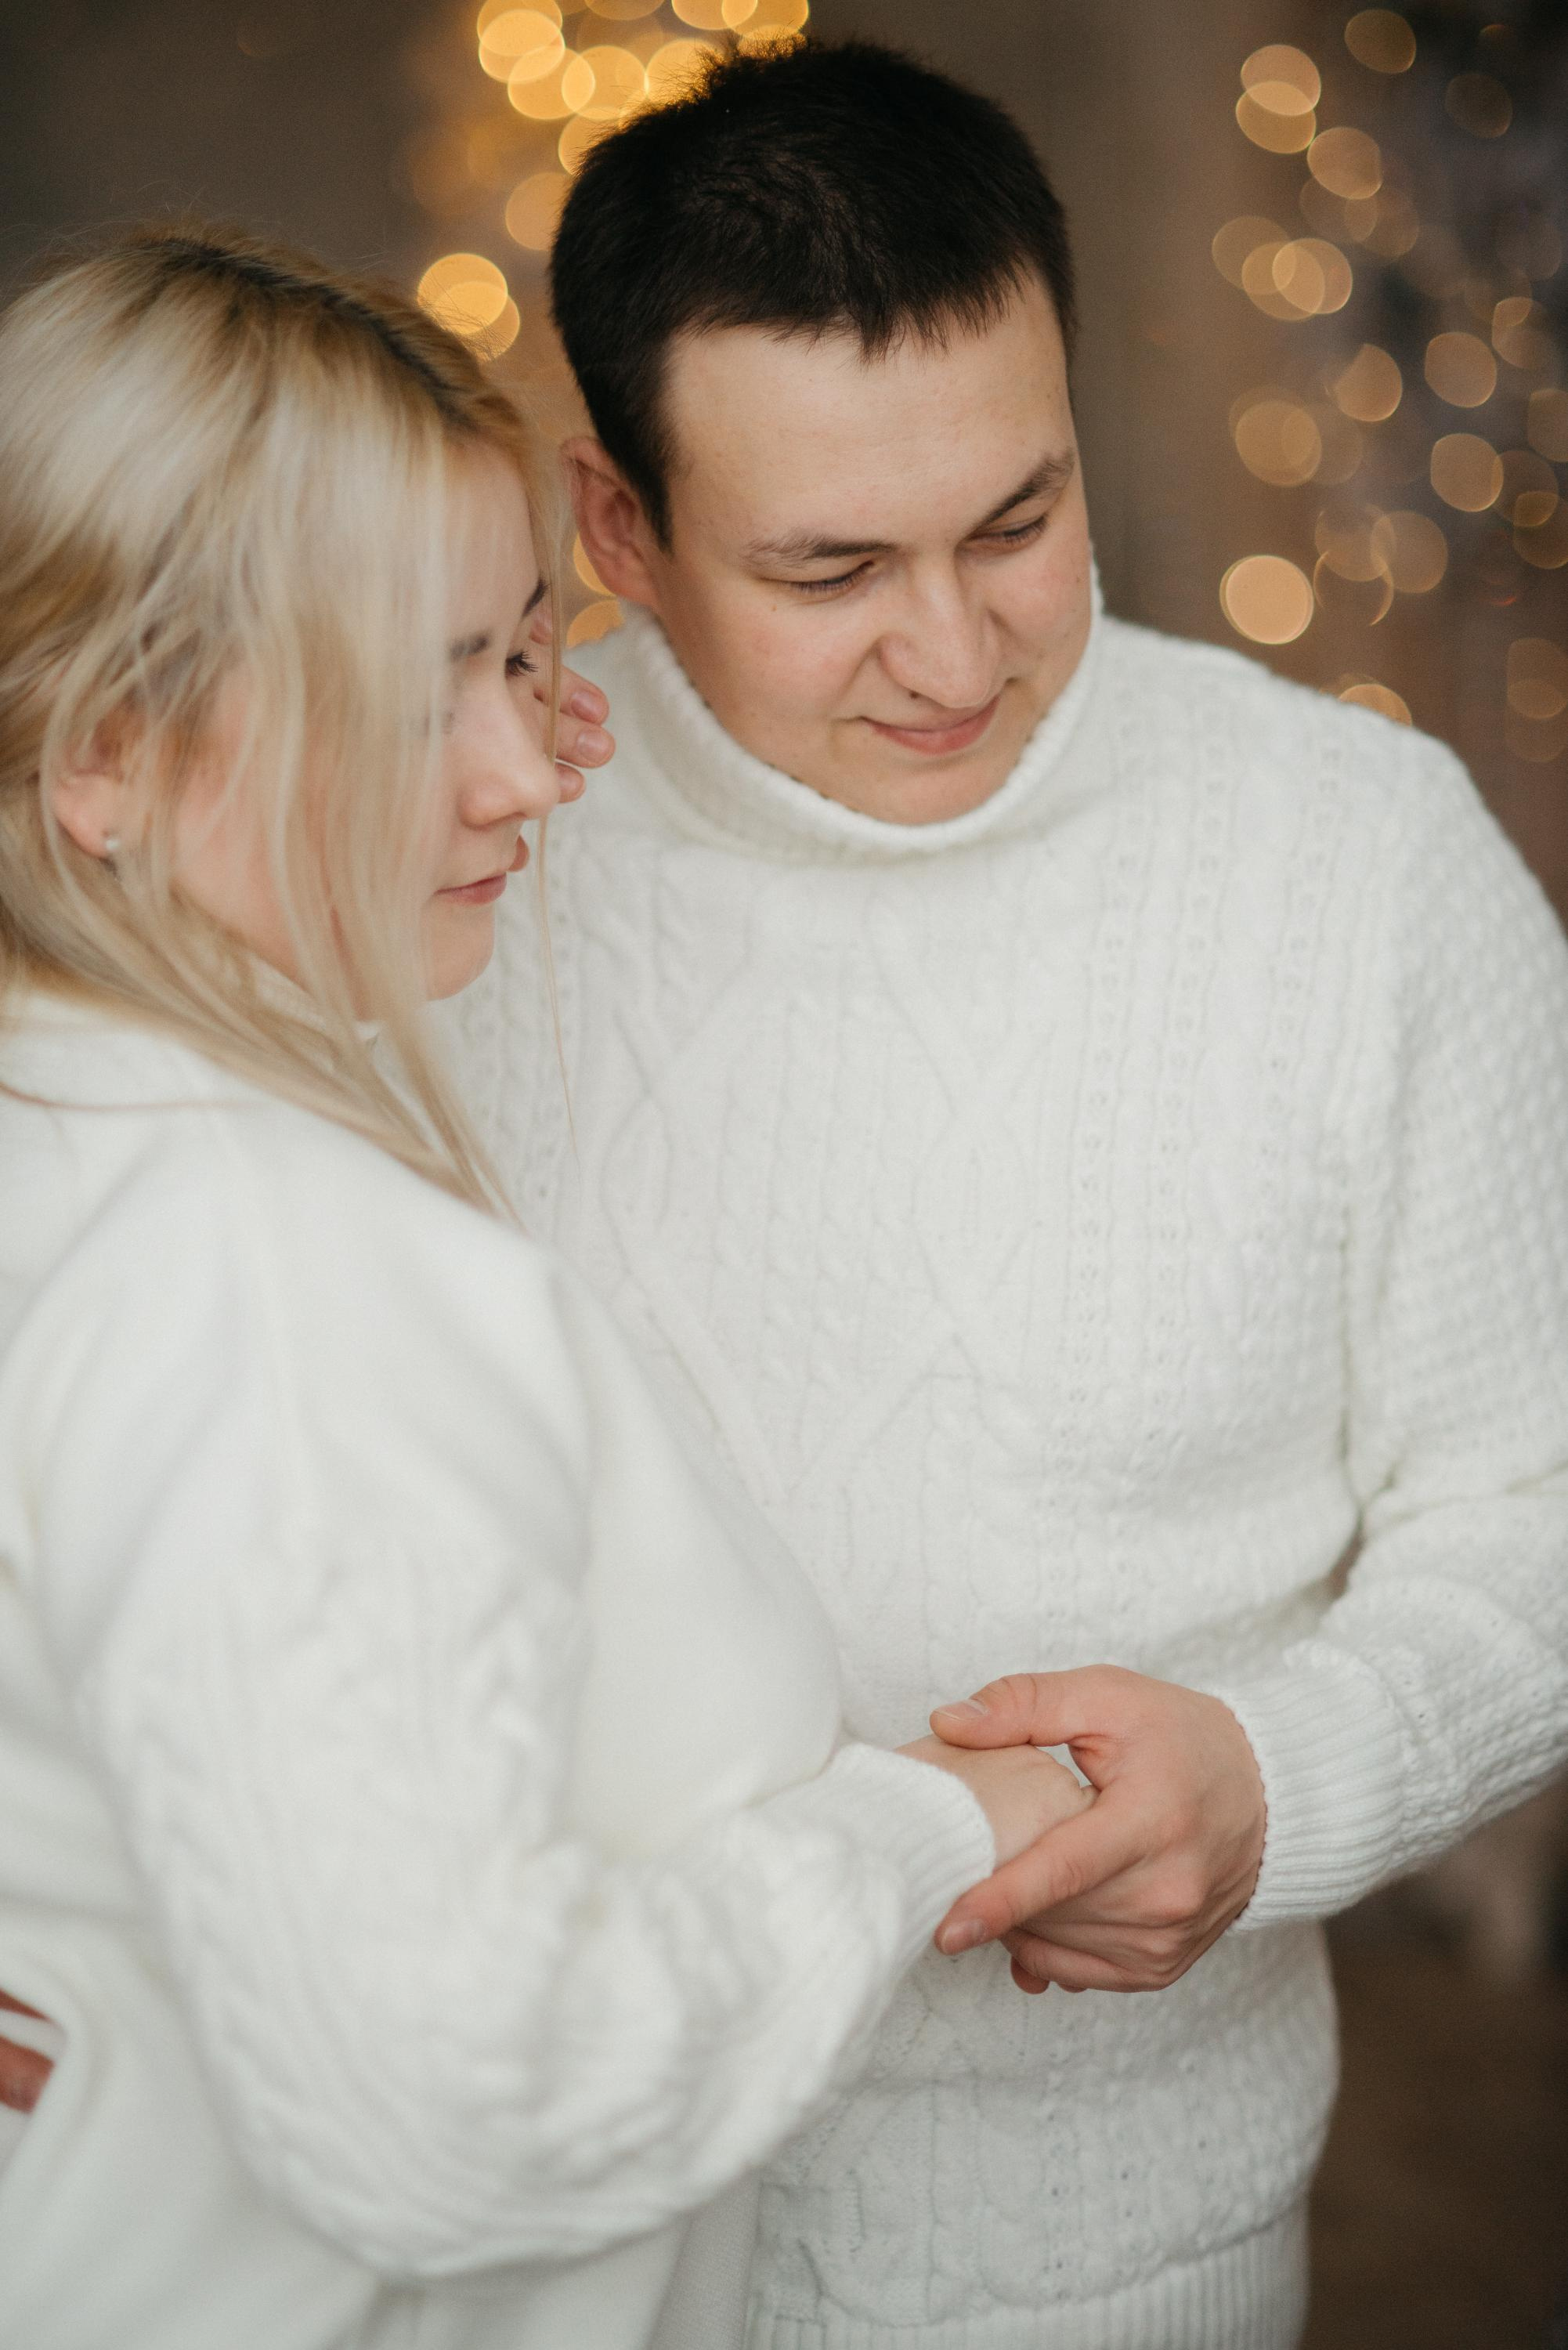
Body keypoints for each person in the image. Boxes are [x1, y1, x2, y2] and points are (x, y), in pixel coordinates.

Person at [438, 38, 1568, 2350]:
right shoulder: (456, 856)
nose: (952, 654)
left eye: (1015, 525)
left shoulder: (1362, 868)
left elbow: (1537, 1502)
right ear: (620, 534)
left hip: (1105, 2249)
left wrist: (1282, 1774)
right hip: (517, 2230)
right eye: (829, 568)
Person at [0, 223, 1089, 2350]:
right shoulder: (282, 1280)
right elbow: (456, 2115)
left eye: (527, 656)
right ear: (106, 754)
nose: (523, 776)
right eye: (412, 701)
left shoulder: (62, 1131)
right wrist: (921, 1823)